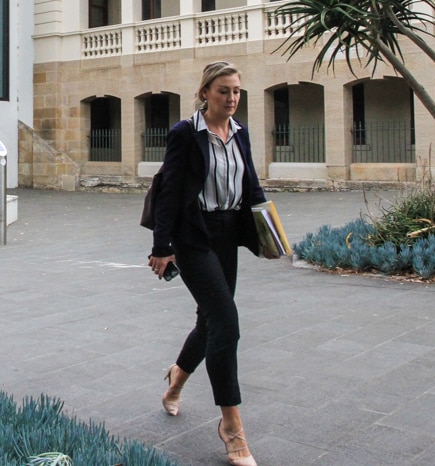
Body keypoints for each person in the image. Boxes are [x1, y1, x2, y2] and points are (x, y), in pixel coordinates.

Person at [148, 61, 265, 466]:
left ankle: (177, 377)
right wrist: (161, 245)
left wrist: (269, 231)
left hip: (228, 234)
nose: (231, 98)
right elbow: (168, 191)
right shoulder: (186, 133)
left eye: (236, 91)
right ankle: (232, 428)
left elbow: (250, 182)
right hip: (194, 237)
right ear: (205, 93)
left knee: (210, 320)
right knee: (227, 324)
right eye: (223, 91)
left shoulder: (240, 133)